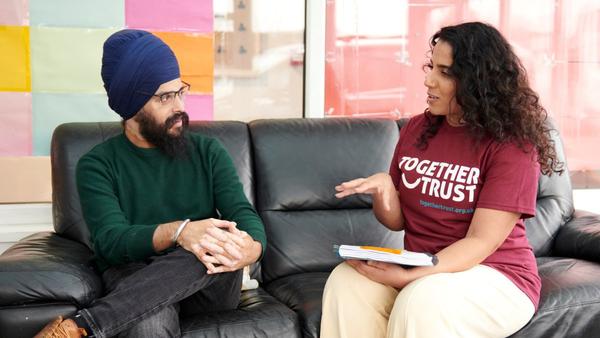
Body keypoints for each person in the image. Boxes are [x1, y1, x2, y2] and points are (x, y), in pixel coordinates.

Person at [320, 21, 563, 338]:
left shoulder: (511, 145)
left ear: (477, 81)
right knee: (347, 280)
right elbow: (398, 221)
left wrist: (412, 277)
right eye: (431, 66)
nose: (428, 79)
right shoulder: (417, 129)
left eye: (445, 72)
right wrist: (384, 191)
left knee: (422, 298)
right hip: (424, 269)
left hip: (495, 276)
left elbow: (480, 242)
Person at [35, 29, 266, 338]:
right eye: (164, 97)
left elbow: (244, 214)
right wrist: (181, 232)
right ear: (131, 106)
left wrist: (252, 249)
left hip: (208, 278)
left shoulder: (208, 152)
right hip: (133, 273)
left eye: (180, 91)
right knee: (148, 325)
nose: (180, 107)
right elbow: (111, 242)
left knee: (209, 244)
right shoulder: (98, 164)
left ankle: (85, 326)